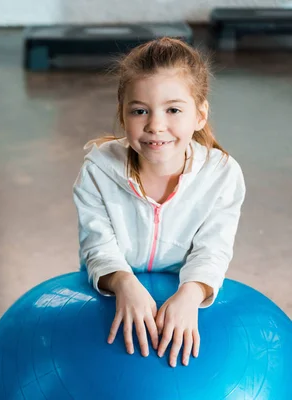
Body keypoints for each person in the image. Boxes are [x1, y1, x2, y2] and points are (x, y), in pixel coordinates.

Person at [73, 37, 246, 368]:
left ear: (200, 114)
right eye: (140, 110)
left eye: (173, 110)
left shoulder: (222, 174)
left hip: (186, 290)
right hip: (112, 287)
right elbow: (97, 245)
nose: (155, 125)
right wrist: (124, 284)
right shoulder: (97, 170)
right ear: (123, 115)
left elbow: (213, 248)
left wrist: (191, 295)